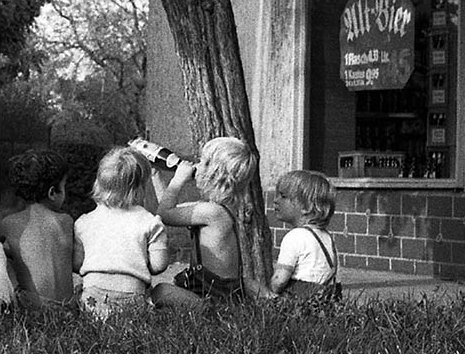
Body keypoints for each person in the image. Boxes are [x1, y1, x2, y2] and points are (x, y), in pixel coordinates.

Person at [150, 136, 264, 309]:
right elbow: (169, 209)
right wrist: (155, 174)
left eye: (202, 162)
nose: (196, 166)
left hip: (215, 298)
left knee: (161, 291)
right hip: (211, 290)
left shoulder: (212, 213)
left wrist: (178, 180)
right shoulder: (214, 209)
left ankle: (208, 310)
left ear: (214, 174)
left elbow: (164, 215)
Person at [73, 146, 170, 319]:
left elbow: (77, 263)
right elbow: (158, 266)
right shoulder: (150, 222)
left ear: (99, 183)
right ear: (141, 188)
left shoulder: (84, 221)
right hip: (131, 298)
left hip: (92, 297)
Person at [0, 149, 77, 309]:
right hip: (68, 309)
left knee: (7, 261)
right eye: (64, 186)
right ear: (52, 193)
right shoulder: (66, 221)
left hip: (33, 308)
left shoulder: (9, 224)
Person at [269, 170, 341, 301]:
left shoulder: (295, 237)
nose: (275, 201)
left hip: (300, 302)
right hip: (327, 299)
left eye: (283, 196)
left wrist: (270, 291)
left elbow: (279, 281)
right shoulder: (326, 237)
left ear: (306, 207)